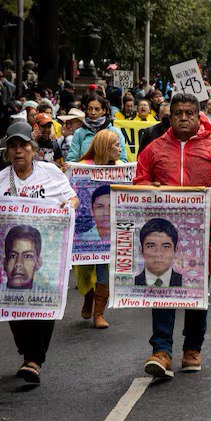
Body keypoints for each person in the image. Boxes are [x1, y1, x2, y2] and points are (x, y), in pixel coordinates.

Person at [0, 121, 76, 383]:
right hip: (12, 256)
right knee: (14, 306)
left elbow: (73, 199)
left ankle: (33, 360)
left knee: (45, 309)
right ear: (7, 151)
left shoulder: (51, 173)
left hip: (46, 256)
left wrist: (66, 206)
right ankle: (28, 352)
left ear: (33, 148)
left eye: (23, 145)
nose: (18, 151)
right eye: (12, 146)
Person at [134, 94, 211, 379]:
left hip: (201, 237)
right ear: (170, 116)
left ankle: (192, 349)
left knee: (196, 293)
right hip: (161, 237)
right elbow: (138, 181)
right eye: (178, 112)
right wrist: (147, 187)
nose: (183, 117)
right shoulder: (154, 149)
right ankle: (161, 350)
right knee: (162, 289)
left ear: (198, 116)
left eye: (189, 113)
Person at [75, 128, 123, 329]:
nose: (120, 150)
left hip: (110, 233)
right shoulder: (81, 168)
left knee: (105, 270)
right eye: (117, 146)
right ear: (106, 147)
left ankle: (99, 313)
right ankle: (89, 296)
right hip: (86, 235)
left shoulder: (121, 168)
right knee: (84, 272)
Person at [67, 96, 129, 163]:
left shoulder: (116, 132)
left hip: (110, 173)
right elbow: (72, 159)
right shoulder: (79, 133)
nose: (93, 112)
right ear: (86, 111)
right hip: (85, 172)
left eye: (97, 109)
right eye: (90, 109)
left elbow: (123, 160)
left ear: (104, 111)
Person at [133, 219, 184, 286]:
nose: (158, 253)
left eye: (166, 247)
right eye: (151, 246)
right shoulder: (130, 282)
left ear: (176, 250)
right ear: (141, 250)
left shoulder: (186, 282)